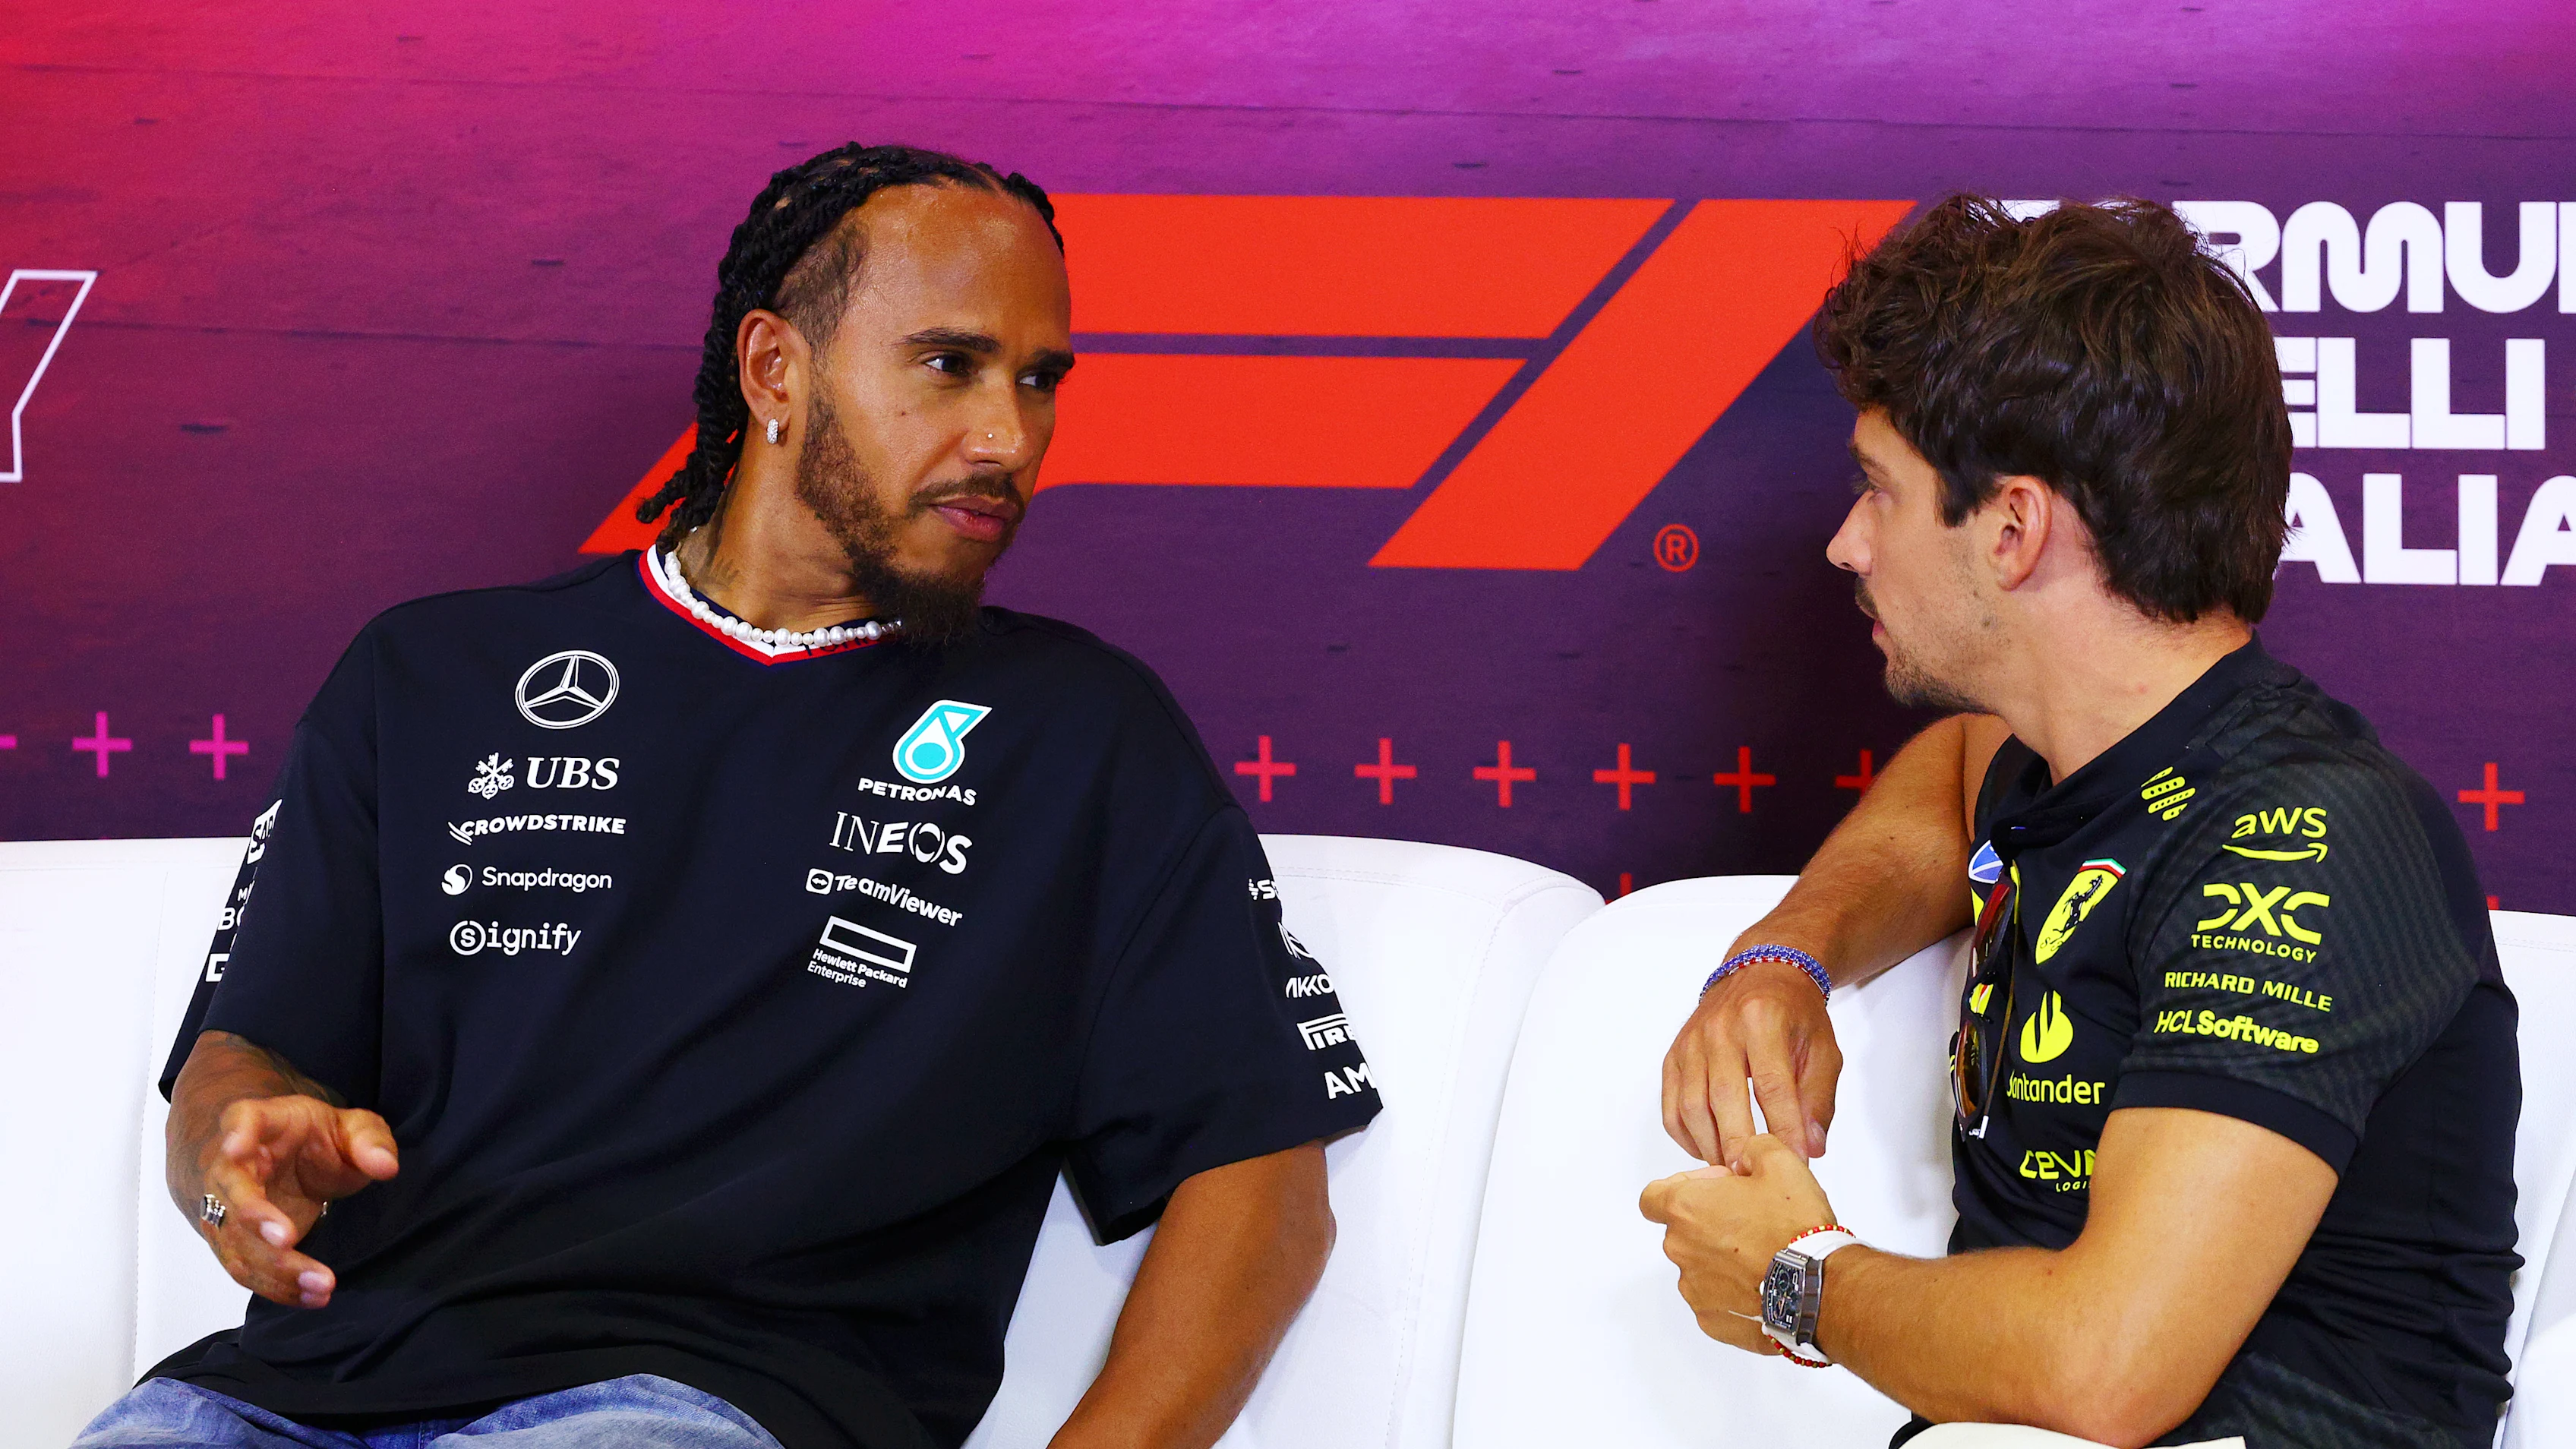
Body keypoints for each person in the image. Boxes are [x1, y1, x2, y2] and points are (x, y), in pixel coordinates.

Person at [75, 143, 1380, 1449]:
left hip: (695, 1410)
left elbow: (1265, 1183)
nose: (1010, 438)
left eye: (1040, 381)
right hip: (281, 1397)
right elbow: (238, 1065)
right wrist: (224, 1166)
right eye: (950, 365)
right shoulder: (425, 672)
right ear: (775, 371)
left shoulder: (1085, 735)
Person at [1640, 197, 2519, 1449]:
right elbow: (1952, 772)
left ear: (2013, 529)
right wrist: (1788, 957)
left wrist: (1798, 1278)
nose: (1845, 545)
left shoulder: (2306, 837)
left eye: (1879, 493)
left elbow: (2108, 1370)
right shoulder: (2057, 756)